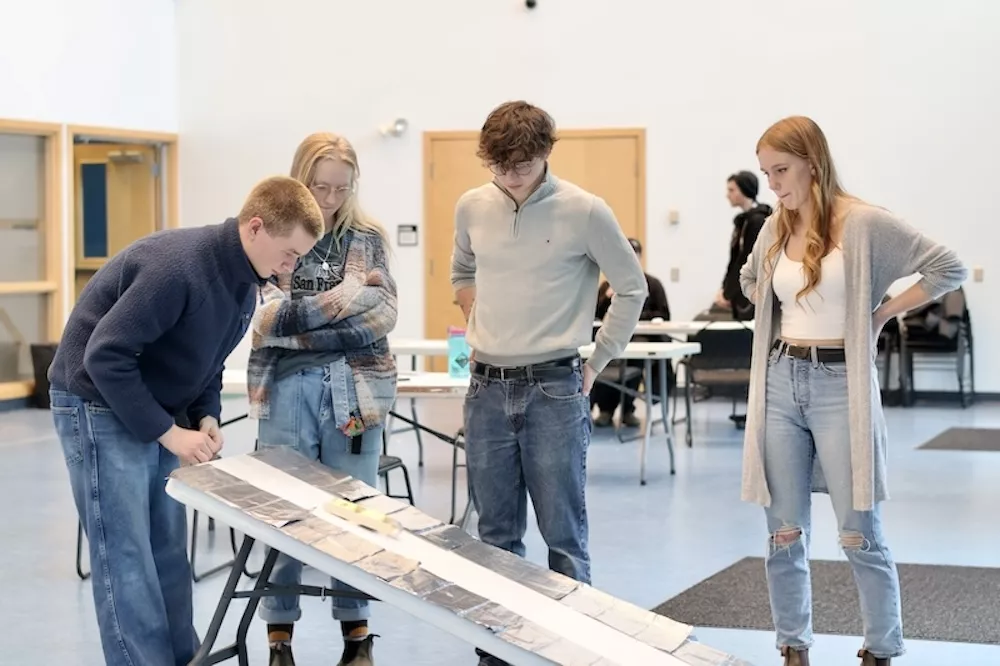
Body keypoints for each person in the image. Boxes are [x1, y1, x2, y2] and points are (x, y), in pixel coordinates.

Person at [47, 176, 324, 666]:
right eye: (289, 253)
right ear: (255, 228)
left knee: (169, 552)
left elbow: (207, 361)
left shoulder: (245, 283)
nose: (291, 266)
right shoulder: (178, 268)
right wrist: (171, 433)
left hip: (153, 404)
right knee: (127, 554)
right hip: (96, 401)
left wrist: (205, 414)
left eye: (299, 257)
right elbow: (105, 357)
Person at [739, 116, 967, 666]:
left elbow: (948, 268)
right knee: (783, 530)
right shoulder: (776, 225)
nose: (773, 184)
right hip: (778, 380)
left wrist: (881, 312)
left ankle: (880, 648)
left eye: (782, 170)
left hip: (840, 383)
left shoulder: (863, 222)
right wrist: (777, 307)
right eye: (766, 173)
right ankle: (793, 647)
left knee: (857, 527)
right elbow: (750, 282)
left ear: (812, 164)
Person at [451, 100, 647, 666]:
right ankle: (497, 651)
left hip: (555, 387)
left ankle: (573, 651)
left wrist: (598, 361)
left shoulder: (585, 210)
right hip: (485, 387)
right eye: (499, 166)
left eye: (522, 164)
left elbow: (630, 289)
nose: (510, 177)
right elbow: (463, 271)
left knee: (563, 534)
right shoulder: (471, 205)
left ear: (545, 153)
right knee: (495, 535)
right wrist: (476, 316)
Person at [247, 132, 398, 666]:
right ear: (300, 179)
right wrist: (346, 302)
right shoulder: (278, 233)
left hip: (355, 393)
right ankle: (278, 637)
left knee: (353, 516)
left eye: (341, 187)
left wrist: (305, 320)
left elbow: (383, 317)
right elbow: (266, 318)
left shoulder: (369, 239)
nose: (330, 199)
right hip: (285, 390)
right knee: (282, 513)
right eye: (320, 186)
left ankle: (356, 634)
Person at [591, 237, 672, 427]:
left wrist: (640, 316)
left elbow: (663, 313)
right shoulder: (608, 285)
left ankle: (628, 408)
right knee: (604, 353)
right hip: (613, 336)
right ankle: (606, 409)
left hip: (641, 338)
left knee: (636, 356)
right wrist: (606, 299)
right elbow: (594, 315)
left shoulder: (653, 284)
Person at [716, 170, 772, 320]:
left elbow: (746, 260)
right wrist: (725, 289)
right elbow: (734, 259)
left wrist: (728, 292)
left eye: (732, 190)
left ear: (744, 189)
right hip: (740, 290)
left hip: (751, 291)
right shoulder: (743, 221)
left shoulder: (757, 221)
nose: (727, 195)